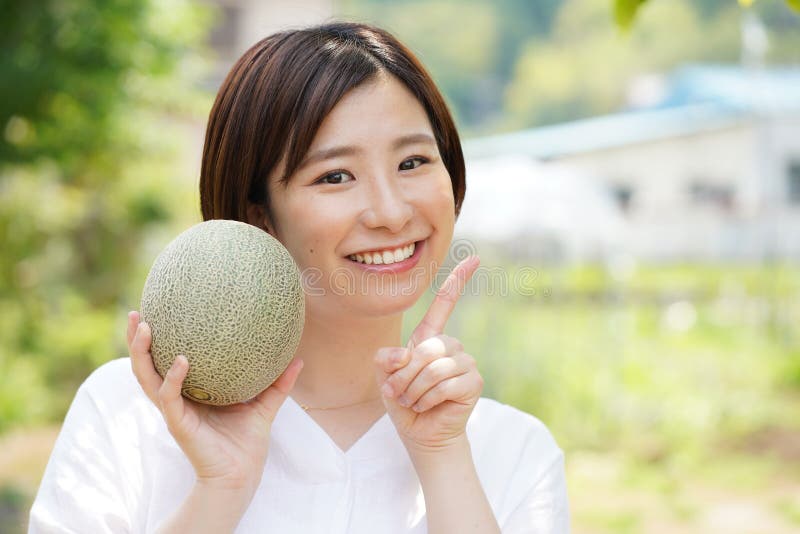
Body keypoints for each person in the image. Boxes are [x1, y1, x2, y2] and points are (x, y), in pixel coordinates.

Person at [29, 22, 569, 533]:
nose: (390, 212)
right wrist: (219, 491)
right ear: (260, 215)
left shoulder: (512, 450)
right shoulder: (131, 418)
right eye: (335, 176)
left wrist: (442, 456)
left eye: (412, 163)